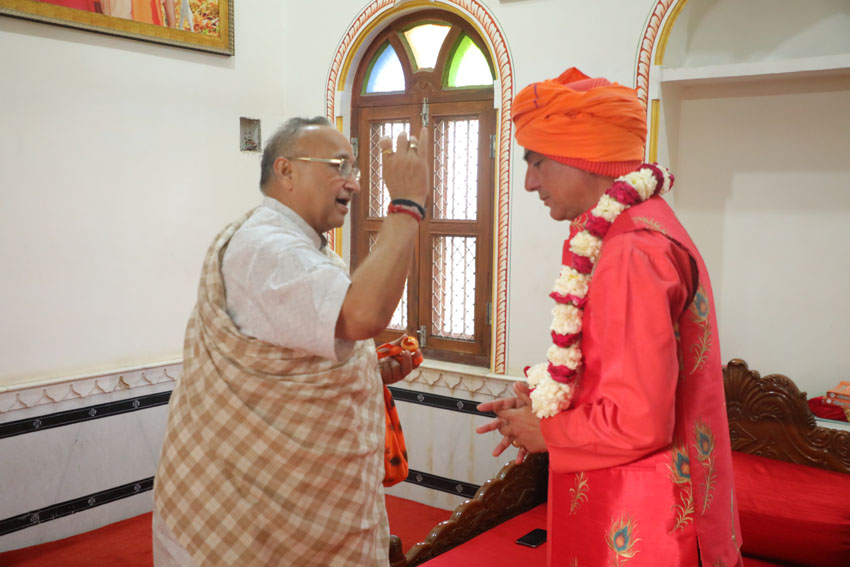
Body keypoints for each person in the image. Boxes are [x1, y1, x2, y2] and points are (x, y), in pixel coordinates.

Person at [476, 68, 742, 567]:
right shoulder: (639, 226)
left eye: (536, 162)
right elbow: (627, 374)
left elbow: (639, 419)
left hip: (643, 515)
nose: (530, 183)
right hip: (649, 497)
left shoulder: (630, 250)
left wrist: (546, 432)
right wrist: (547, 400)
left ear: (584, 157)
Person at [153, 116, 429, 567]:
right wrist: (406, 205)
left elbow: (289, 358)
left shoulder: (305, 249)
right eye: (340, 166)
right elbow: (363, 315)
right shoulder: (265, 248)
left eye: (355, 168)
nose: (355, 183)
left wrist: (367, 370)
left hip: (295, 508)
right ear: (286, 171)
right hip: (246, 518)